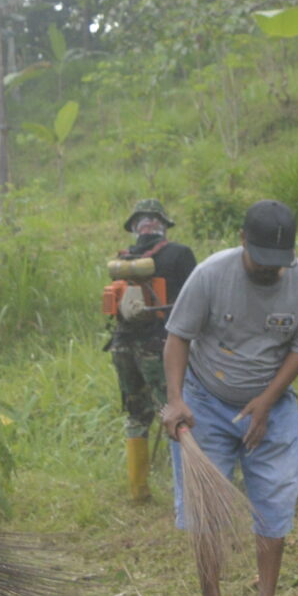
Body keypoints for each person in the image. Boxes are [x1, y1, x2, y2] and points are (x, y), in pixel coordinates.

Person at [158, 200, 298, 596]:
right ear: (242, 240)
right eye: (262, 260)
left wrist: (266, 402)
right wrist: (176, 401)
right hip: (206, 400)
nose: (270, 271)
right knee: (204, 507)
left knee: (275, 502)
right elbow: (177, 338)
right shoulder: (211, 274)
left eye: (278, 264)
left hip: (273, 402)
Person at [105, 200, 197, 505]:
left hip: (122, 346)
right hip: (160, 347)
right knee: (173, 411)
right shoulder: (180, 255)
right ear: (163, 225)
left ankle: (139, 491)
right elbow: (195, 302)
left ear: (135, 227)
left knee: (136, 414)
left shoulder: (123, 259)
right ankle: (189, 490)